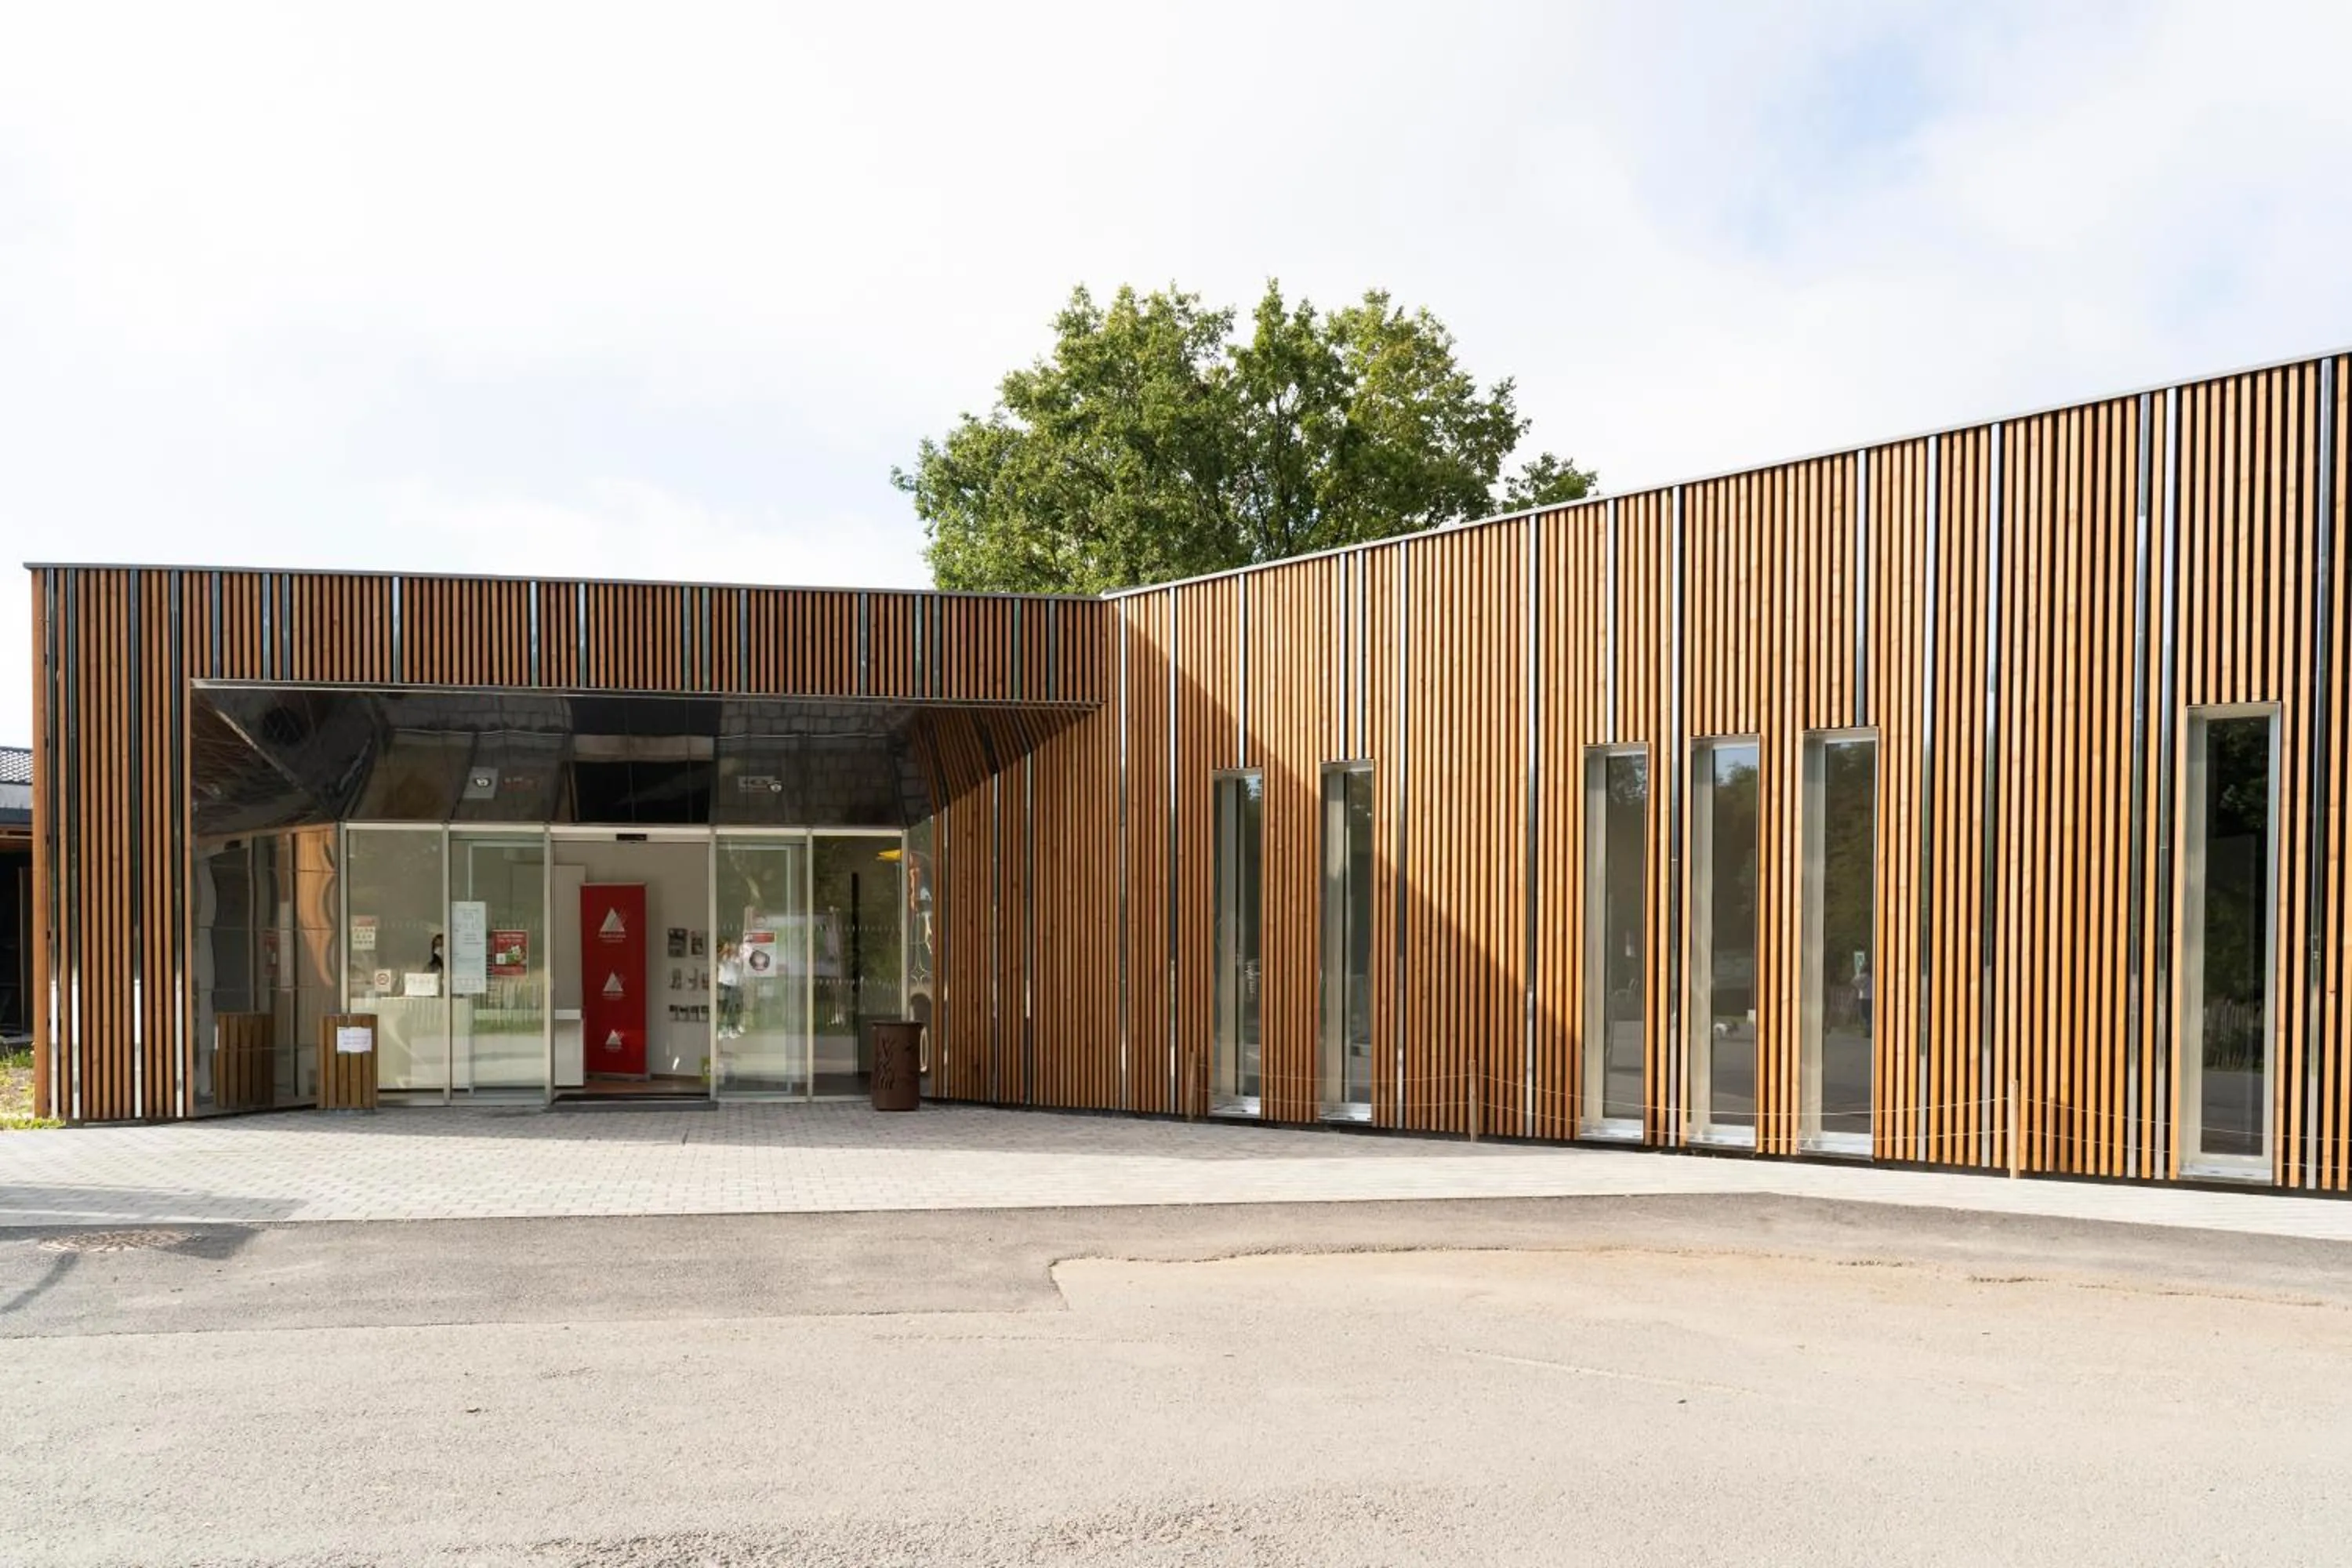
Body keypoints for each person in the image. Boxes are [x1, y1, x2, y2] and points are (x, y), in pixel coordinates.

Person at [716, 942, 743, 1039]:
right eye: (731, 949)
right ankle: (721, 1029)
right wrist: (724, 951)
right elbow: (717, 960)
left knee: (732, 1007)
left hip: (734, 986)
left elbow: (741, 964)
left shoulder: (737, 959)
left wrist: (737, 954)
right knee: (723, 1008)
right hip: (724, 985)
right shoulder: (723, 959)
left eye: (734, 949)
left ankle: (731, 1028)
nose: (732, 951)